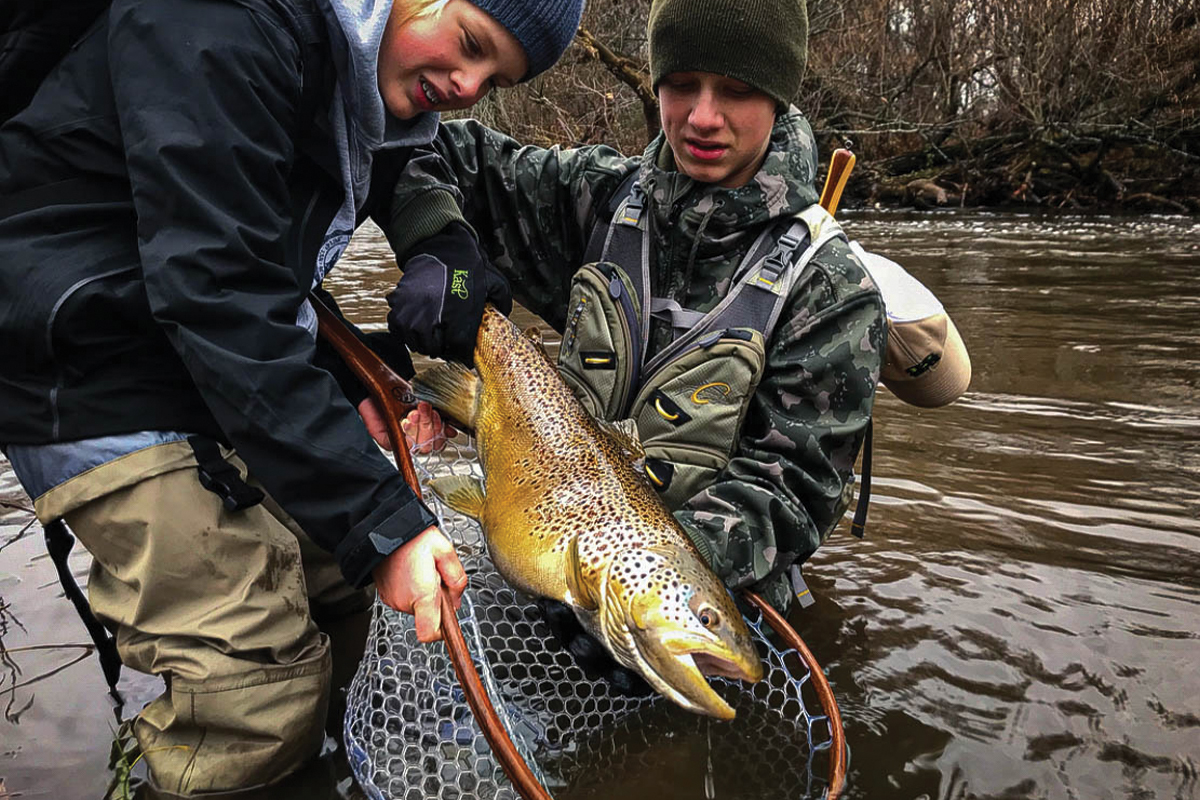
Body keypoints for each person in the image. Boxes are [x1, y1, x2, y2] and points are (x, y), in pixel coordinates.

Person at [0, 0, 582, 793]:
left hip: (183, 348)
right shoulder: (222, 20)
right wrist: (379, 521)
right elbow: (216, 290)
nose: (468, 83)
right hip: (84, 363)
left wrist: (419, 279)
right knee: (260, 686)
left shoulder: (363, 64)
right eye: (472, 45)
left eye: (495, 79)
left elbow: (267, 255)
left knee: (342, 583)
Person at [384, 0, 893, 616]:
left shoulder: (833, 292)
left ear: (779, 95)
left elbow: (794, 492)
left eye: (735, 91)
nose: (703, 117)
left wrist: (641, 587)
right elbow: (412, 143)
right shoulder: (593, 196)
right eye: (681, 85)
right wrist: (441, 242)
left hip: (700, 598)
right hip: (545, 544)